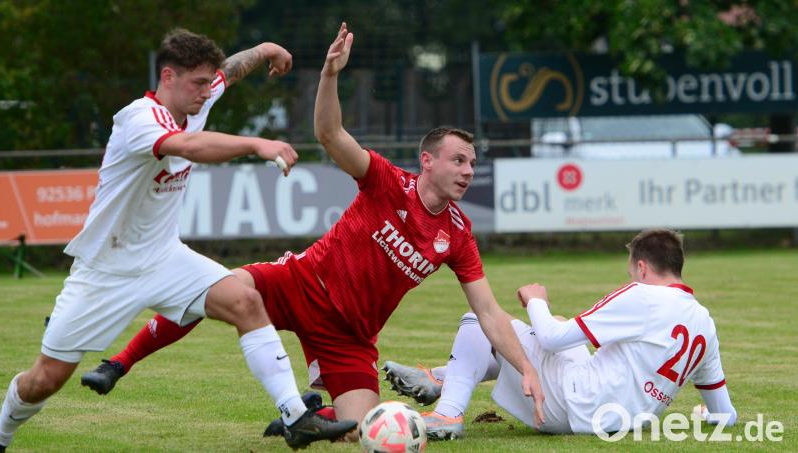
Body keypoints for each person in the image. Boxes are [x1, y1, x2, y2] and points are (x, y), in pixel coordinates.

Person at [77, 22, 547, 440]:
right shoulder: (387, 182)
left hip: (350, 335)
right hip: (302, 283)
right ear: (428, 161)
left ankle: (308, 411)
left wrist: (525, 366)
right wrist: (329, 75)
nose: (468, 171)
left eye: (472, 164)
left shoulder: (458, 234)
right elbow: (330, 135)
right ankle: (119, 362)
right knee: (213, 290)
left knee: (361, 432)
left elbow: (488, 312)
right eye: (458, 160)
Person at [0, 29, 356, 453]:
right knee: (45, 380)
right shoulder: (139, 119)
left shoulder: (198, 96)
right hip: (107, 270)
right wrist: (257, 143)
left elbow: (229, 72)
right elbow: (188, 145)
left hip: (165, 258)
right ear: (168, 76)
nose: (207, 91)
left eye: (208, 83)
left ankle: (298, 418)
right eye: (197, 84)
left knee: (245, 301)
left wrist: (266, 50)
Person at [384, 229, 737, 439]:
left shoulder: (642, 295)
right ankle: (442, 378)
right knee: (555, 327)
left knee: (478, 322)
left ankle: (447, 411)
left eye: (632, 270)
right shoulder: (705, 323)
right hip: (620, 421)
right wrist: (707, 418)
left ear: (642, 267)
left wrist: (536, 301)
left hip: (575, 406)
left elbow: (552, 338)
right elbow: (725, 414)